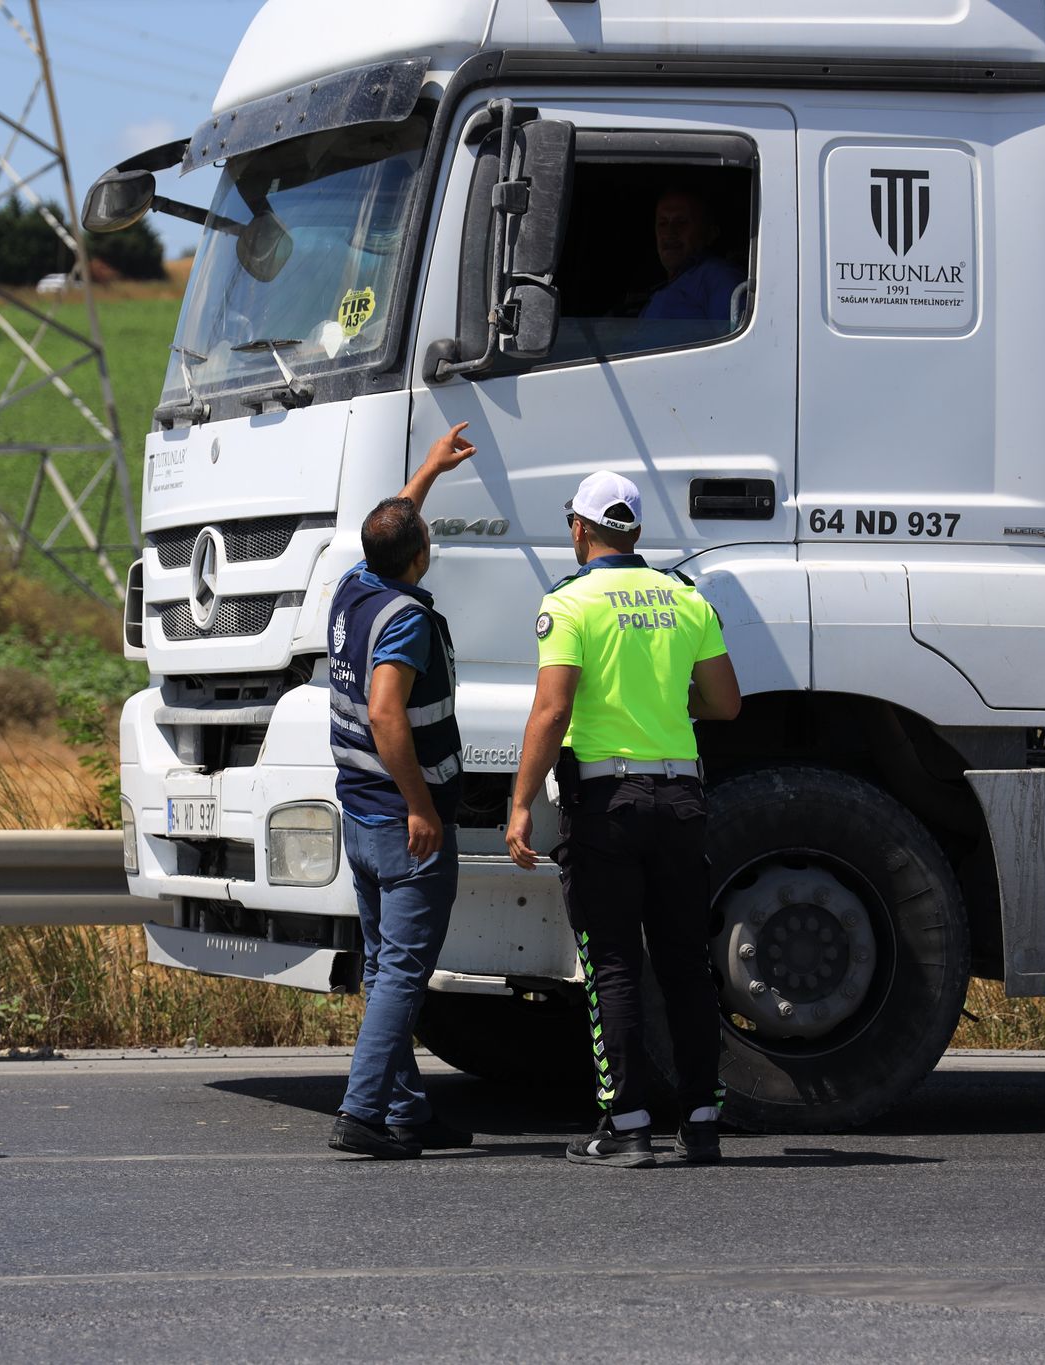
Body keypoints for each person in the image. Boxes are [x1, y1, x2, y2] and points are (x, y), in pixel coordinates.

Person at [505, 471, 742, 1169]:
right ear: (635, 532)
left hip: (607, 804)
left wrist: (519, 803)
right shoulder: (684, 597)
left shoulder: (570, 603)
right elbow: (726, 703)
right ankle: (701, 1122)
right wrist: (668, 703)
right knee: (686, 966)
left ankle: (630, 1125)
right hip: (681, 803)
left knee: (613, 963)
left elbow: (551, 711)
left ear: (578, 529)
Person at [326, 421, 480, 1160]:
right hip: (402, 819)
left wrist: (427, 470)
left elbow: (392, 525)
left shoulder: (356, 586)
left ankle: (407, 1113)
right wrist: (421, 804)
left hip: (359, 814)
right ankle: (360, 1112)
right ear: (419, 556)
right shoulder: (405, 618)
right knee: (403, 973)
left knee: (386, 963)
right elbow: (389, 711)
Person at [637, 186, 747, 323]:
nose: (669, 233)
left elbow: (738, 339)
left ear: (710, 233)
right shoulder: (657, 290)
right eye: (662, 223)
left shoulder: (719, 277)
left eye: (681, 222)